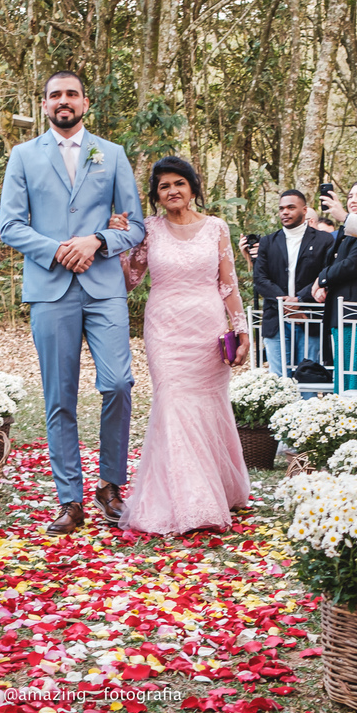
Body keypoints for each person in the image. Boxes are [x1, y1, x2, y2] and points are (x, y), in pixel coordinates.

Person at [0, 70, 145, 535]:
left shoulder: (113, 154)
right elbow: (11, 226)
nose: (64, 101)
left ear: (85, 102)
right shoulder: (23, 156)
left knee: (119, 383)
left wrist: (98, 241)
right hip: (50, 287)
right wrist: (58, 249)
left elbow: (136, 226)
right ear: (44, 104)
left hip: (104, 288)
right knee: (59, 395)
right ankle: (69, 499)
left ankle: (109, 485)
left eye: (72, 94)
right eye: (55, 95)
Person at [108, 157, 250, 534]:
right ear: (156, 195)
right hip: (165, 329)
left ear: (192, 187)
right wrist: (119, 243)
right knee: (172, 402)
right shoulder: (149, 229)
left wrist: (242, 330)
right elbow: (129, 281)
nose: (172, 191)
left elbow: (228, 285)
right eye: (164, 186)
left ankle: (217, 487)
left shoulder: (216, 227)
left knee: (209, 405)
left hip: (208, 328)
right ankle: (186, 500)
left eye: (179, 183)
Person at [252, 190, 332, 376]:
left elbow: (325, 274)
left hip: (309, 316)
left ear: (304, 210)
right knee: (280, 380)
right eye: (281, 209)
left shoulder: (324, 240)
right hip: (275, 317)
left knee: (307, 377)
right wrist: (284, 302)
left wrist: (299, 300)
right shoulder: (268, 242)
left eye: (290, 207)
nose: (285, 212)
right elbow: (260, 279)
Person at [310, 182, 357, 392]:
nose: (353, 200)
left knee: (355, 372)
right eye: (350, 196)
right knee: (342, 371)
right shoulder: (347, 230)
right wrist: (324, 281)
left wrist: (322, 279)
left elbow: (353, 264)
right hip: (340, 311)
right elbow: (333, 262)